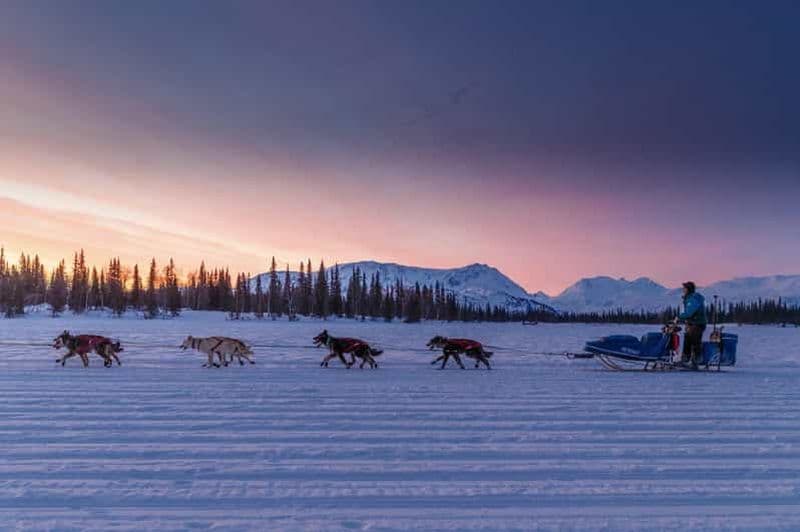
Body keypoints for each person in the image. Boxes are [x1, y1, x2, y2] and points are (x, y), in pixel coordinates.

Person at [677, 281, 707, 369]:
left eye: (684, 288)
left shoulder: (693, 299)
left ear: (688, 289)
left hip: (697, 323)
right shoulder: (690, 298)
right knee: (688, 339)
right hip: (693, 323)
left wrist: (679, 317)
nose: (683, 290)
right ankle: (686, 359)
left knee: (694, 340)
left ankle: (695, 361)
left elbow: (689, 312)